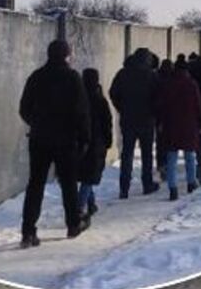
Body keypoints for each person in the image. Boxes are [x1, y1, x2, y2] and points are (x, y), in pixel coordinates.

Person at [16, 40, 89, 248]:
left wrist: (37, 123)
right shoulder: (73, 78)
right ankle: (73, 224)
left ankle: (28, 230)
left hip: (40, 138)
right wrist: (84, 137)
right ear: (67, 55)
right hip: (66, 139)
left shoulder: (37, 77)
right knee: (68, 182)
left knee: (35, 184)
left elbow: (24, 108)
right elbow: (81, 111)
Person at [107, 47, 158, 198]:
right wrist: (153, 111)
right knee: (147, 154)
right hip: (146, 119)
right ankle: (147, 184)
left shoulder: (123, 73)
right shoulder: (151, 75)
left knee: (127, 154)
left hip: (128, 119)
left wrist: (121, 107)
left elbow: (113, 92)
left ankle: (124, 187)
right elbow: (158, 96)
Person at [155, 56, 201, 199]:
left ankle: (173, 188)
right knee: (190, 155)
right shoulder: (191, 84)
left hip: (171, 124)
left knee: (171, 158)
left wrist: (160, 122)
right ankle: (191, 182)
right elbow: (198, 105)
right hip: (189, 124)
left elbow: (162, 106)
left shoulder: (168, 84)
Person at [78, 68, 112, 221]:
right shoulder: (100, 100)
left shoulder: (78, 98)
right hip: (96, 142)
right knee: (88, 177)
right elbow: (107, 122)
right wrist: (108, 139)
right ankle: (80, 207)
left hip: (79, 141)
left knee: (86, 173)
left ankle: (90, 203)